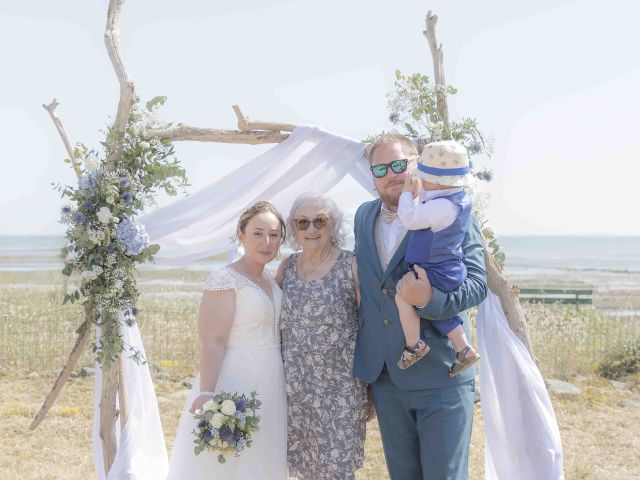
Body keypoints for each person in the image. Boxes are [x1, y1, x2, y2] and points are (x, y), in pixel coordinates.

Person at [353, 133, 488, 479]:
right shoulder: (363, 216)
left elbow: (476, 285)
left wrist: (428, 300)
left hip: (442, 376)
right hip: (387, 380)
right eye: (380, 168)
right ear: (372, 175)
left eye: (400, 164)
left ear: (418, 164)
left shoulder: (450, 212)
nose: (391, 174)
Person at [167, 201, 288, 480]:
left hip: (271, 378)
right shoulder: (225, 279)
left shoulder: (270, 278)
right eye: (258, 233)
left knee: (262, 454)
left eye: (274, 234)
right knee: (226, 460)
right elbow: (213, 340)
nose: (267, 241)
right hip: (236, 379)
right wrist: (208, 393)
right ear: (240, 234)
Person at [276, 193, 369, 480]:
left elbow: (370, 326)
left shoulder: (351, 265)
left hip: (341, 389)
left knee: (337, 470)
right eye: (303, 222)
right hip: (295, 388)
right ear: (293, 228)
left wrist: (372, 389)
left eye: (320, 220)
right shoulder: (287, 267)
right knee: (303, 469)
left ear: (333, 224)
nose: (311, 229)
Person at [394, 140, 481, 375]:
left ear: (438, 182)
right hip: (448, 266)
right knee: (444, 314)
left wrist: (405, 194)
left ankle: (414, 345)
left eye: (425, 177)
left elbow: (410, 219)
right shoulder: (456, 198)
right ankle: (464, 349)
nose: (420, 182)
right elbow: (427, 196)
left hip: (435, 268)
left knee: (403, 297)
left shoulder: (441, 206)